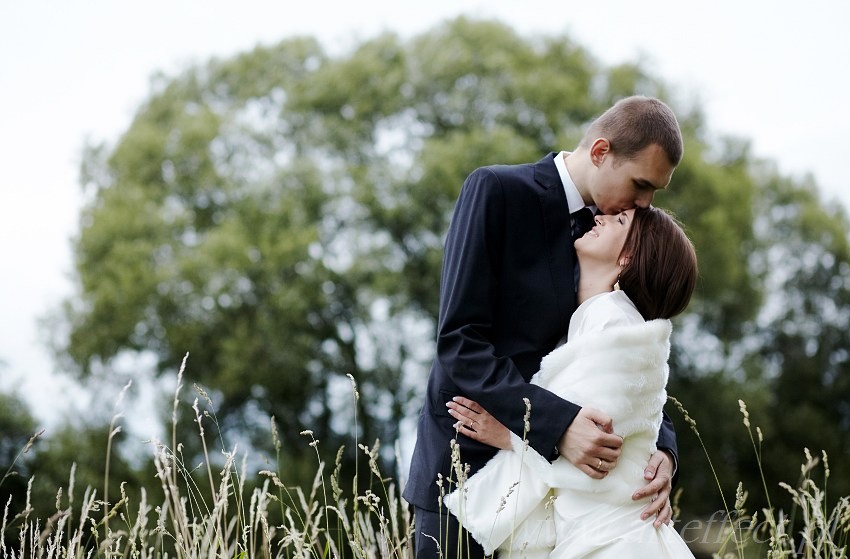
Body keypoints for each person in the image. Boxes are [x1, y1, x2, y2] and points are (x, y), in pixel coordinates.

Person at [402, 96, 684, 559]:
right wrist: (558, 427)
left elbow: (626, 355)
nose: (646, 203)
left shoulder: (619, 241)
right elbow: (459, 343)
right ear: (599, 152)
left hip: (562, 509)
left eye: (654, 191)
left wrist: (663, 451)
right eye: (640, 184)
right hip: (464, 478)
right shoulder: (496, 191)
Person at [444, 206, 698, 558]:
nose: (600, 218)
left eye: (619, 221)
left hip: (615, 540)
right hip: (596, 532)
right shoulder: (597, 321)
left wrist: (510, 435)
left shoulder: (612, 323)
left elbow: (598, 448)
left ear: (627, 258)